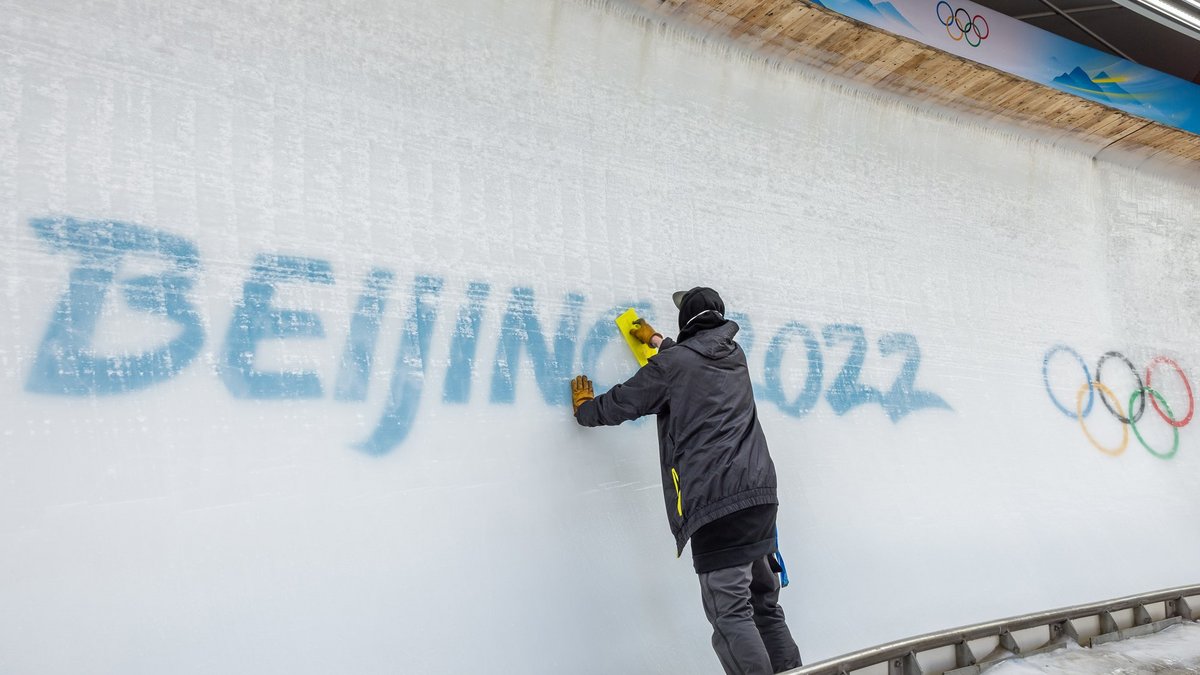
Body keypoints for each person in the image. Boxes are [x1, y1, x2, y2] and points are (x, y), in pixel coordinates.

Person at [571, 287, 802, 675]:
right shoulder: (734, 355)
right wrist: (659, 341)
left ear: (686, 325)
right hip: (762, 501)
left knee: (730, 615)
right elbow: (690, 359)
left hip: (717, 506)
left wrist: (586, 410)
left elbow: (629, 400)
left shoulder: (673, 366)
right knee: (764, 606)